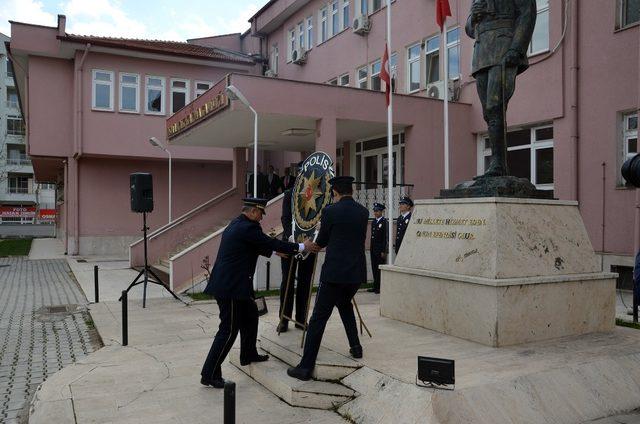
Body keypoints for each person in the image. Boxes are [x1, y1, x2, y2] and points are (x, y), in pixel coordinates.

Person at [200, 198, 318, 388]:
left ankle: (248, 353)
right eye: (260, 214)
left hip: (235, 285)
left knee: (251, 314)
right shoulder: (248, 227)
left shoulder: (238, 223)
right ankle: (209, 373)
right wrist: (303, 246)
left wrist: (273, 252)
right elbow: (266, 242)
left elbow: (254, 245)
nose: (261, 218)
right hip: (231, 287)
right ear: (254, 211)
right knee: (228, 330)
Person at [287, 176, 369, 381]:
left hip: (334, 274)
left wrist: (309, 243)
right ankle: (356, 347)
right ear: (352, 191)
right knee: (345, 306)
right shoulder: (363, 211)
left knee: (317, 320)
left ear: (335, 192)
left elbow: (322, 242)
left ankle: (305, 367)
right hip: (356, 273)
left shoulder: (330, 211)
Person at [466, 0, 536, 177]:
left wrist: (516, 48)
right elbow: (470, 29)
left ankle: (498, 163)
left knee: (494, 107)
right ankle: (498, 164)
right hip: (482, 54)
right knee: (488, 114)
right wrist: (472, 18)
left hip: (504, 48)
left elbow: (527, 14)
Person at [277, 173, 315, 333]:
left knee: (305, 283)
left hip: (309, 245)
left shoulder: (316, 194)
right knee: (287, 282)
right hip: (290, 244)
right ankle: (283, 320)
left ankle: (301, 320)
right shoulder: (289, 194)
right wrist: (292, 238)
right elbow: (285, 218)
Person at [368, 203, 388, 294]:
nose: (375, 213)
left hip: (380, 250)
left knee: (379, 269)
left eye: (377, 211)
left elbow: (385, 237)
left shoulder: (384, 222)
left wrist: (384, 250)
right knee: (374, 268)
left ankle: (380, 287)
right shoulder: (374, 222)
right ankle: (375, 286)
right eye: (374, 211)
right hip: (373, 249)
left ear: (381, 212)